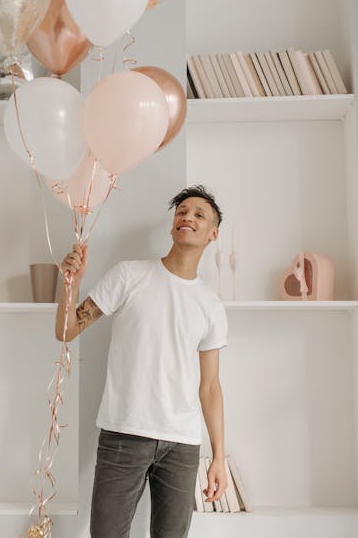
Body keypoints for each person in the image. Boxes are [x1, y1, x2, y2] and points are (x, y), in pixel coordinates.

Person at [55, 185, 228, 538]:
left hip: (182, 445)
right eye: (181, 211)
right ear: (172, 225)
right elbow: (67, 330)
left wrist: (219, 457)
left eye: (198, 214)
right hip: (124, 434)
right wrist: (69, 284)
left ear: (213, 234)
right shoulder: (128, 275)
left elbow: (210, 387)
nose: (187, 217)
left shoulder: (211, 305)